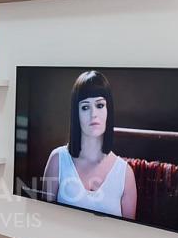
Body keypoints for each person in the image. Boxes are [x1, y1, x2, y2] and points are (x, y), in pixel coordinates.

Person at [42, 70, 137, 219]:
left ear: (108, 110)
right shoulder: (58, 160)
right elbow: (44, 220)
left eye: (100, 105)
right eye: (85, 107)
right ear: (76, 113)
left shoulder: (125, 174)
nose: (93, 114)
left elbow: (129, 231)